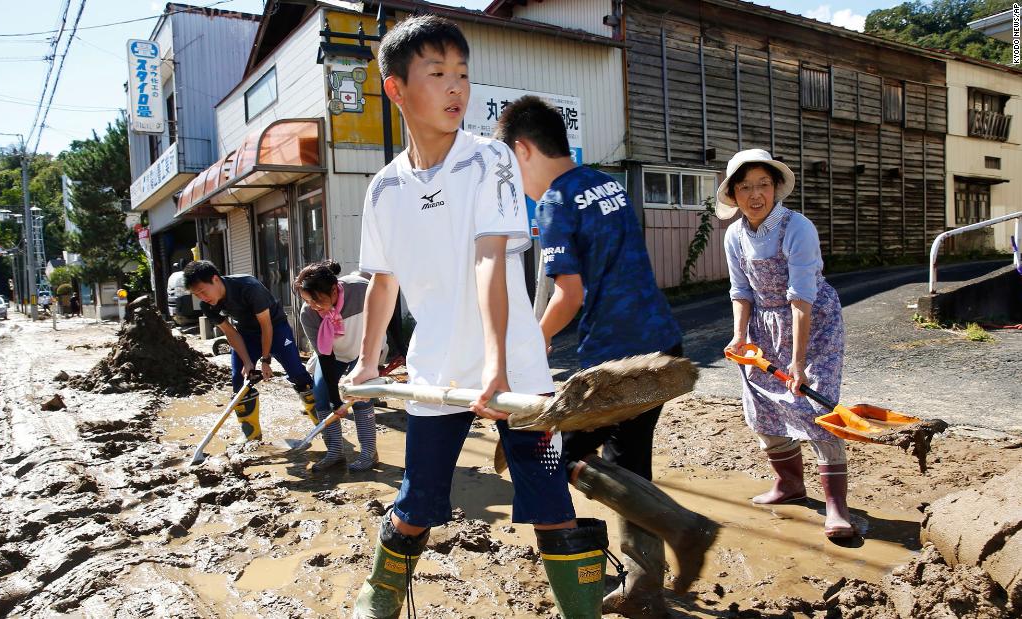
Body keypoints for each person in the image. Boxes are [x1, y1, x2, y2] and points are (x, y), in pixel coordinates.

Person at [345, 15, 607, 619]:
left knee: (547, 499)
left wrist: (498, 366)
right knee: (416, 502)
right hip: (437, 372)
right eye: (437, 74)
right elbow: (383, 282)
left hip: (514, 368)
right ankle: (378, 601)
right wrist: (365, 364)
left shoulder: (490, 160)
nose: (456, 87)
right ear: (396, 89)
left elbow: (493, 260)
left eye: (462, 73)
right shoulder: (384, 189)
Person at [496, 96, 715, 614]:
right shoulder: (606, 184)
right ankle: (645, 590)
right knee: (630, 464)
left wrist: (533, 341)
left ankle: (685, 528)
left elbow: (566, 296)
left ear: (524, 150)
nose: (516, 182)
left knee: (564, 454)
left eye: (511, 166)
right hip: (662, 344)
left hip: (616, 362)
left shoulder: (554, 202)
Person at [718, 148, 853, 539]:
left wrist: (797, 361)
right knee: (760, 404)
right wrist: (740, 336)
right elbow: (741, 290)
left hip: (811, 321)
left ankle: (836, 507)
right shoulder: (735, 235)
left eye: (763, 185)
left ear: (776, 188)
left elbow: (800, 296)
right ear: (734, 194)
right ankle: (789, 485)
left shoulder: (797, 228)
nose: (755, 195)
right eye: (745, 187)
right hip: (763, 325)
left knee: (816, 406)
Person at [183, 260, 317, 442]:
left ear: (215, 279)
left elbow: (266, 325)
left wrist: (265, 359)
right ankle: (252, 436)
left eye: (203, 291)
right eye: (196, 294)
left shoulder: (248, 286)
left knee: (297, 374)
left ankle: (323, 422)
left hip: (275, 328)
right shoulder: (208, 306)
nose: (202, 297)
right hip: (246, 333)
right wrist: (247, 362)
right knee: (239, 381)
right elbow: (231, 333)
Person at [294, 260, 386, 472]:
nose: (314, 306)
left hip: (365, 351)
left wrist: (394, 347)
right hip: (335, 355)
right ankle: (335, 451)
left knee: (361, 397)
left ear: (334, 289)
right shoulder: (308, 314)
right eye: (308, 301)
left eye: (316, 299)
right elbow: (325, 358)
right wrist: (336, 401)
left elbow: (385, 314)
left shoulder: (361, 290)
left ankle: (369, 453)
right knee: (321, 394)